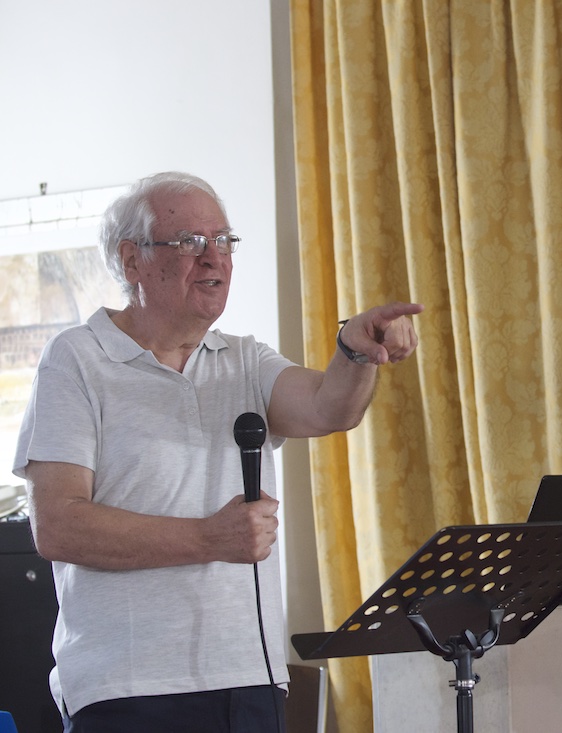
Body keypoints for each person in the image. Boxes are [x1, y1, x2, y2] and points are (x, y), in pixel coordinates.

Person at [13, 171, 424, 732]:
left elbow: (329, 409)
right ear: (132, 261)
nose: (214, 258)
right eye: (190, 242)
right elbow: (58, 527)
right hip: (128, 689)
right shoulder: (76, 360)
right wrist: (210, 538)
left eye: (224, 241)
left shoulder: (245, 359)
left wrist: (354, 352)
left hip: (249, 681)